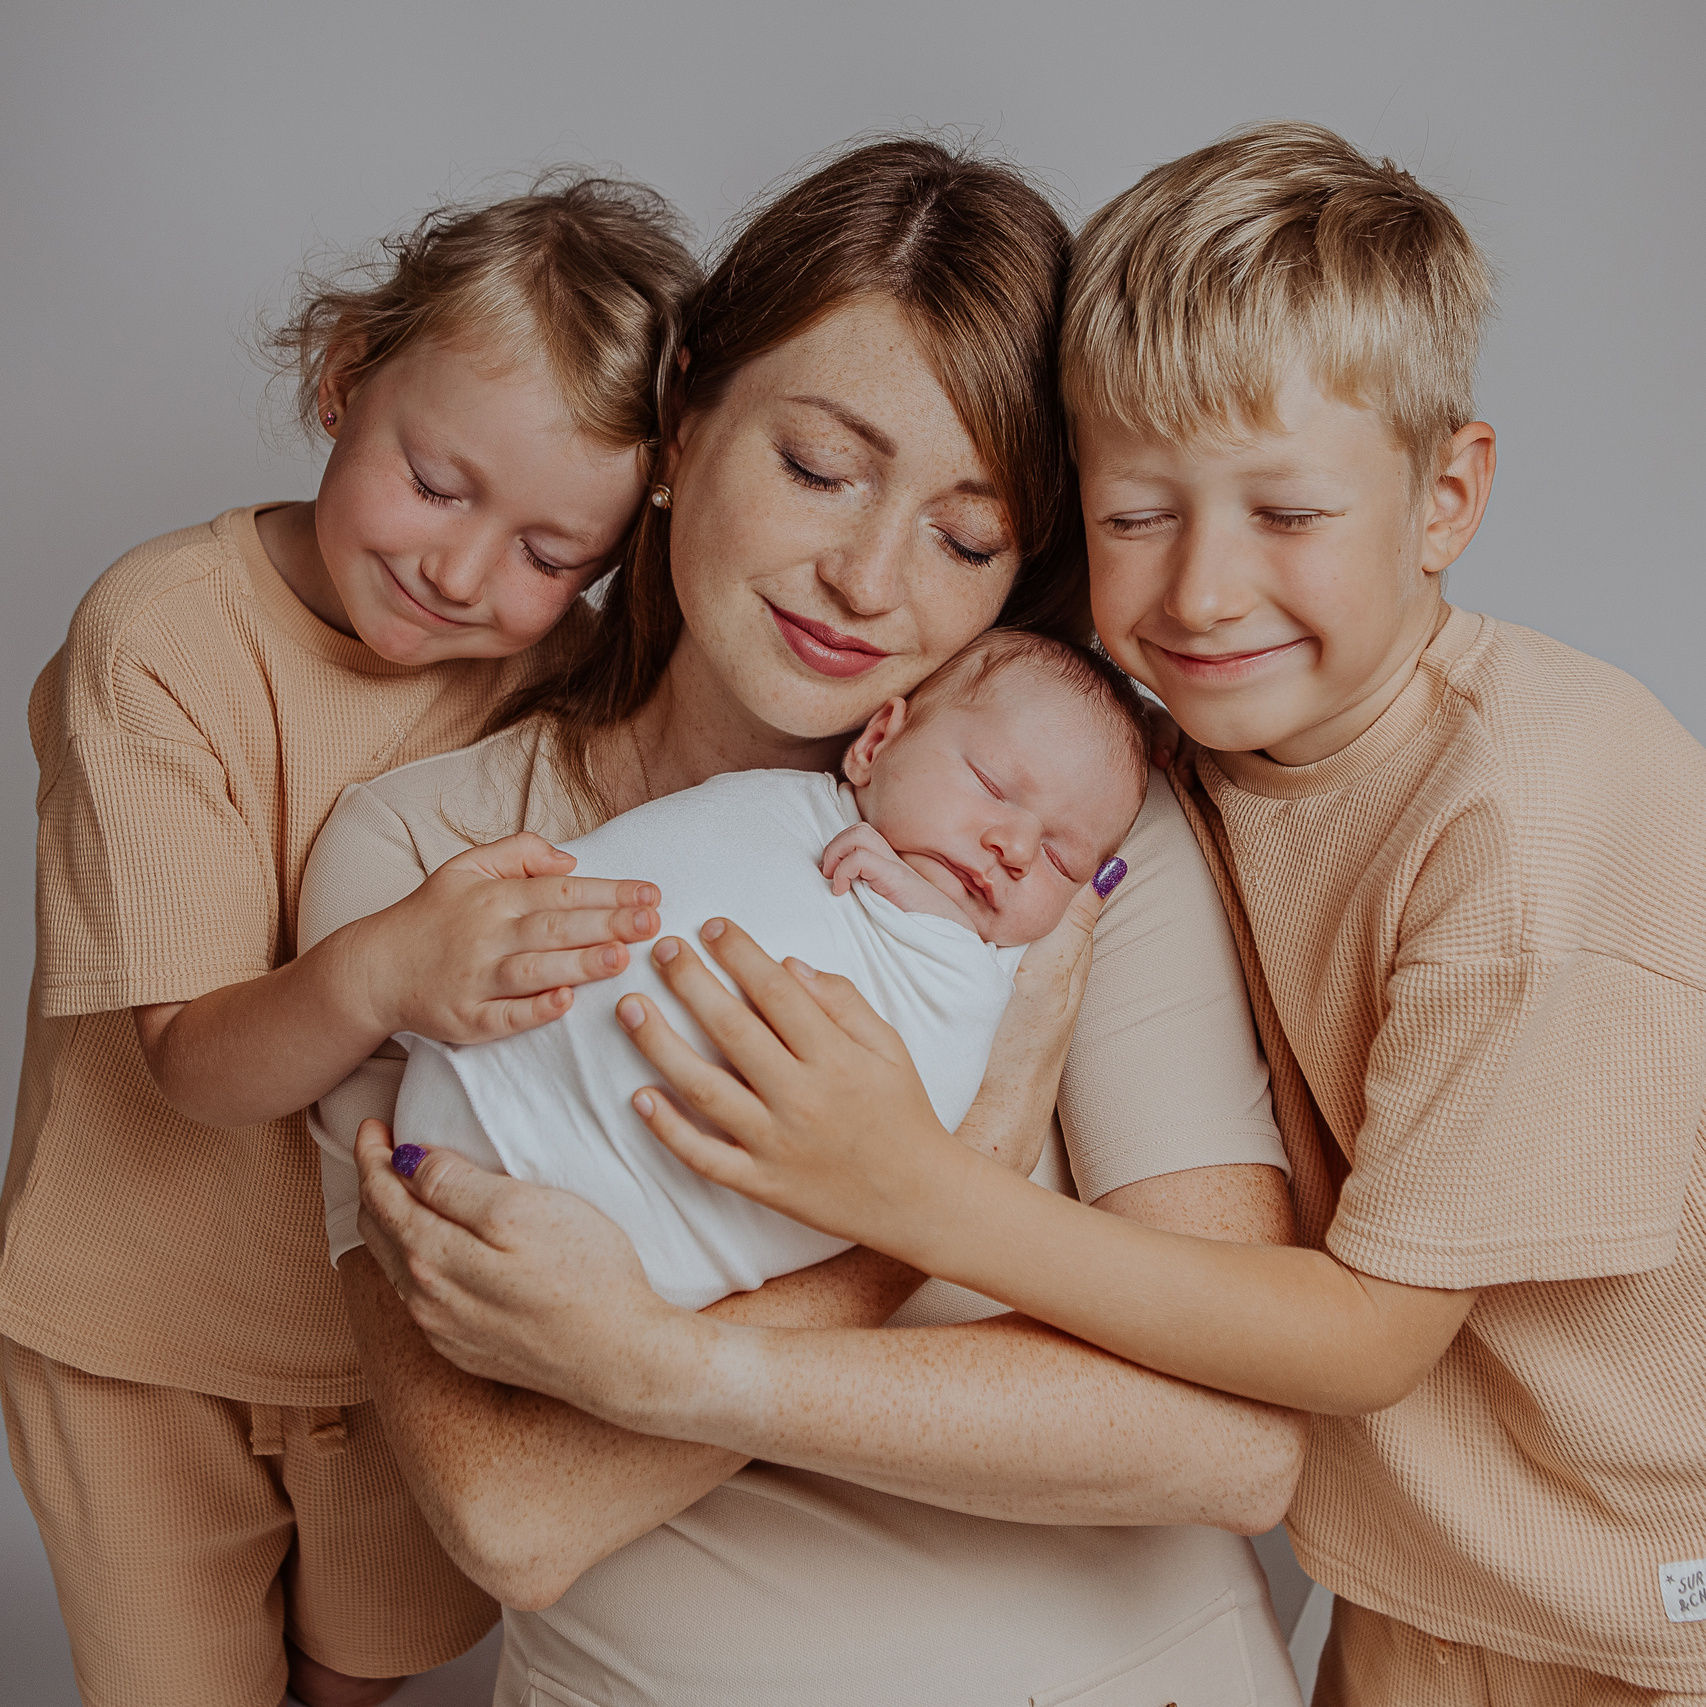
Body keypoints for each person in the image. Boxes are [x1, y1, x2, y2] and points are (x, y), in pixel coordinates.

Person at [443, 127, 1705, 1706]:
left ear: (1444, 494)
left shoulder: (1524, 830)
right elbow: (503, 1502)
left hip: (1612, 1595)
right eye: (1134, 517)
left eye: (1289, 515)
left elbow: (1362, 1342)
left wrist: (920, 1183)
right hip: (1414, 1564)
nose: (1202, 593)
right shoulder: (1177, 752)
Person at [308, 137, 1310, 1706]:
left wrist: (674, 1366)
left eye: (966, 538)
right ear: (682, 413)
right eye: (819, 466)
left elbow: (1234, 1438)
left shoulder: (1063, 844)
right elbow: (511, 1505)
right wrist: (950, 1167)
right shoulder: (427, 865)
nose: (861, 575)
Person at [0, 177, 698, 1707]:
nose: (463, 573)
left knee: (362, 1666)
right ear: (343, 372)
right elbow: (190, 1060)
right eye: (437, 483)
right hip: (144, 1329)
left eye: (546, 550)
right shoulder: (165, 637)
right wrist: (389, 964)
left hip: (402, 1333)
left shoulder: (567, 679)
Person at [384, 629, 1148, 1311]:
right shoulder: (791, 806)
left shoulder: (984, 964)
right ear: (878, 740)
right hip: (478, 1078)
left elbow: (938, 1073)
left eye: (1059, 856)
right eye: (990, 784)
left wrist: (930, 917)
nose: (1013, 846)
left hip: (620, 1242)